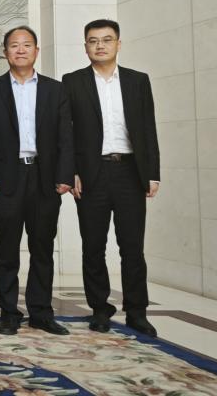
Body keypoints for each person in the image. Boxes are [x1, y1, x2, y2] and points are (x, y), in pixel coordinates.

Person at [63, 19, 161, 337]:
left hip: (130, 171)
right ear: (86, 47)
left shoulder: (137, 81)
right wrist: (71, 172)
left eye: (107, 40)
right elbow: (66, 132)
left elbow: (147, 128)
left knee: (132, 247)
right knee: (93, 245)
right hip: (91, 174)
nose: (100, 46)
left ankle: (137, 311)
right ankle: (100, 309)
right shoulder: (72, 82)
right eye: (93, 41)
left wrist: (152, 173)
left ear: (118, 44)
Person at [0, 25, 74, 336]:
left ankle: (41, 312)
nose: (20, 50)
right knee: (6, 249)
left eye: (26, 45)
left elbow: (66, 136)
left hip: (44, 178)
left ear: (36, 50)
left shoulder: (55, 89)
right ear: (5, 52)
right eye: (14, 45)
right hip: (6, 178)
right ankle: (9, 312)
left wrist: (64, 175)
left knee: (42, 247)